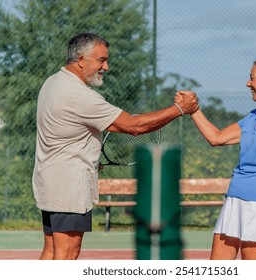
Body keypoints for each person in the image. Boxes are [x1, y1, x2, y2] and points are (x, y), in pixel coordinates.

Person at [32, 32, 199, 260]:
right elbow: (134, 126)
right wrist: (180, 109)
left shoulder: (52, 82)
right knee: (67, 253)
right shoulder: (79, 95)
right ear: (81, 60)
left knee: (51, 250)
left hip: (50, 179)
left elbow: (63, 133)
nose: (106, 67)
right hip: (69, 185)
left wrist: (88, 157)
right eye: (101, 60)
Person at [177, 56, 256, 260]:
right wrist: (192, 109)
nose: (248, 84)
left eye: (252, 78)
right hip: (234, 198)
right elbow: (216, 138)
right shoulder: (253, 117)